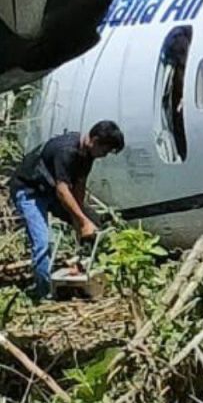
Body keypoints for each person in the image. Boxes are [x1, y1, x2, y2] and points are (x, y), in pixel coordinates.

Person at [8, 121, 125, 300]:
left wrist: (81, 220)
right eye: (105, 151)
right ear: (94, 141)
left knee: (93, 221)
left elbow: (79, 186)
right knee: (43, 243)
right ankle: (44, 295)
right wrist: (82, 222)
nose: (104, 155)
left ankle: (82, 265)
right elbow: (62, 191)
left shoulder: (87, 154)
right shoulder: (67, 150)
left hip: (49, 189)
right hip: (30, 191)